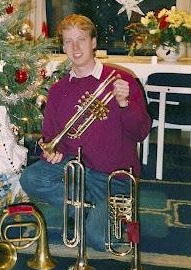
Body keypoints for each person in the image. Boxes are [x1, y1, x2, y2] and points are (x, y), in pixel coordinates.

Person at [19, 14, 152, 251]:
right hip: (77, 173)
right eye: (68, 41)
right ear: (63, 46)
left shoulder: (122, 80)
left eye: (81, 39)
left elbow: (140, 132)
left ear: (93, 42)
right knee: (30, 178)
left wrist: (124, 104)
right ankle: (86, 208)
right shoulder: (59, 90)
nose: (75, 47)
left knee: (101, 241)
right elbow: (50, 138)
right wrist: (53, 153)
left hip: (115, 177)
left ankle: (85, 211)